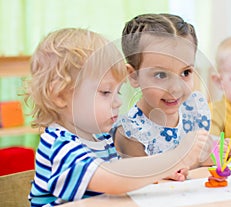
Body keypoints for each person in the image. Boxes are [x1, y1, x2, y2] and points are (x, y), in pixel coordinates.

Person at [24, 28, 212, 206]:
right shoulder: (59, 145)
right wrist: (176, 157)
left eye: (118, 92)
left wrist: (159, 173)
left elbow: (125, 175)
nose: (118, 103)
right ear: (60, 96)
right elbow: (110, 179)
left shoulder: (101, 138)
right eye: (106, 92)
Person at [113, 13, 231, 174]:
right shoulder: (130, 133)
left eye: (186, 72)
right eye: (161, 75)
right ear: (133, 75)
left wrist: (220, 149)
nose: (176, 88)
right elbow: (144, 181)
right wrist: (198, 160)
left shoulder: (193, 110)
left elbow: (204, 147)